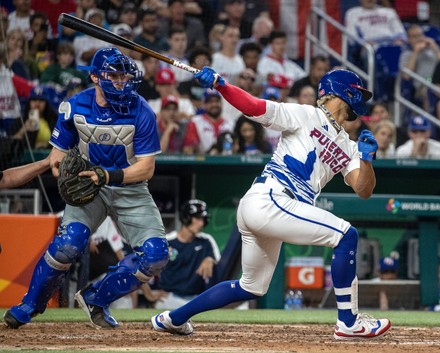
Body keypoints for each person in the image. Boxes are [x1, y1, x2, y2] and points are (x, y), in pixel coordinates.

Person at [151, 66, 391, 339]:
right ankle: (349, 323)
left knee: (251, 286)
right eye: (357, 92)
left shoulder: (349, 145)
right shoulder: (305, 113)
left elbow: (363, 189)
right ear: (342, 91)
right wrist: (221, 85)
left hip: (269, 207)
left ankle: (173, 318)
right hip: (273, 198)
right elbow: (254, 107)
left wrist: (367, 159)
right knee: (346, 235)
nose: (361, 99)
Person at [3, 47, 169, 330]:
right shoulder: (74, 106)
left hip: (129, 186)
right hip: (86, 186)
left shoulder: (141, 109)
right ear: (94, 76)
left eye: (124, 76)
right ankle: (30, 304)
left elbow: (146, 168)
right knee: (68, 245)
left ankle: (96, 298)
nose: (120, 81)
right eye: (112, 75)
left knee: (156, 255)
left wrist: (107, 175)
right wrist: (58, 166)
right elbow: (56, 156)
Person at [154, 199, 221, 309]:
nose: (202, 223)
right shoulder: (166, 241)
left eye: (203, 219)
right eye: (198, 218)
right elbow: (145, 267)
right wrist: (149, 293)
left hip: (196, 299)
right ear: (186, 217)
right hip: (169, 298)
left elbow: (220, 264)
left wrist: (210, 259)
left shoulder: (206, 241)